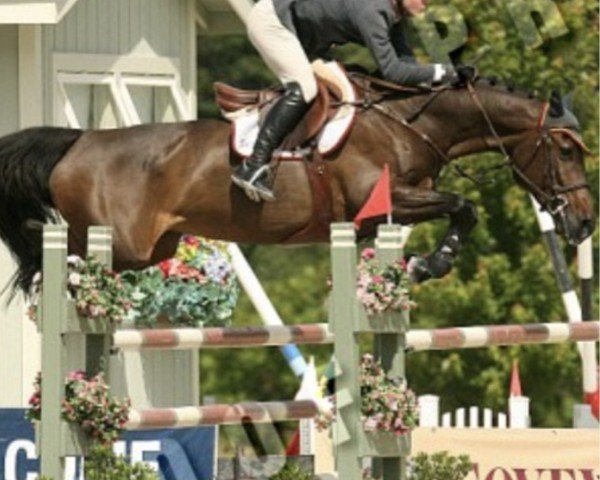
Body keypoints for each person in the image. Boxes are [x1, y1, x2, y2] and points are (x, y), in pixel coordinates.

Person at [231, 0, 473, 202]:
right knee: (305, 88)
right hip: (274, 23)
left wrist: (447, 79)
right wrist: (445, 72)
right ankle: (253, 164)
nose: (426, 1)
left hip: (305, 38)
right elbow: (392, 71)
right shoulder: (373, 10)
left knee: (348, 81)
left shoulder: (394, 14)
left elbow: (407, 66)